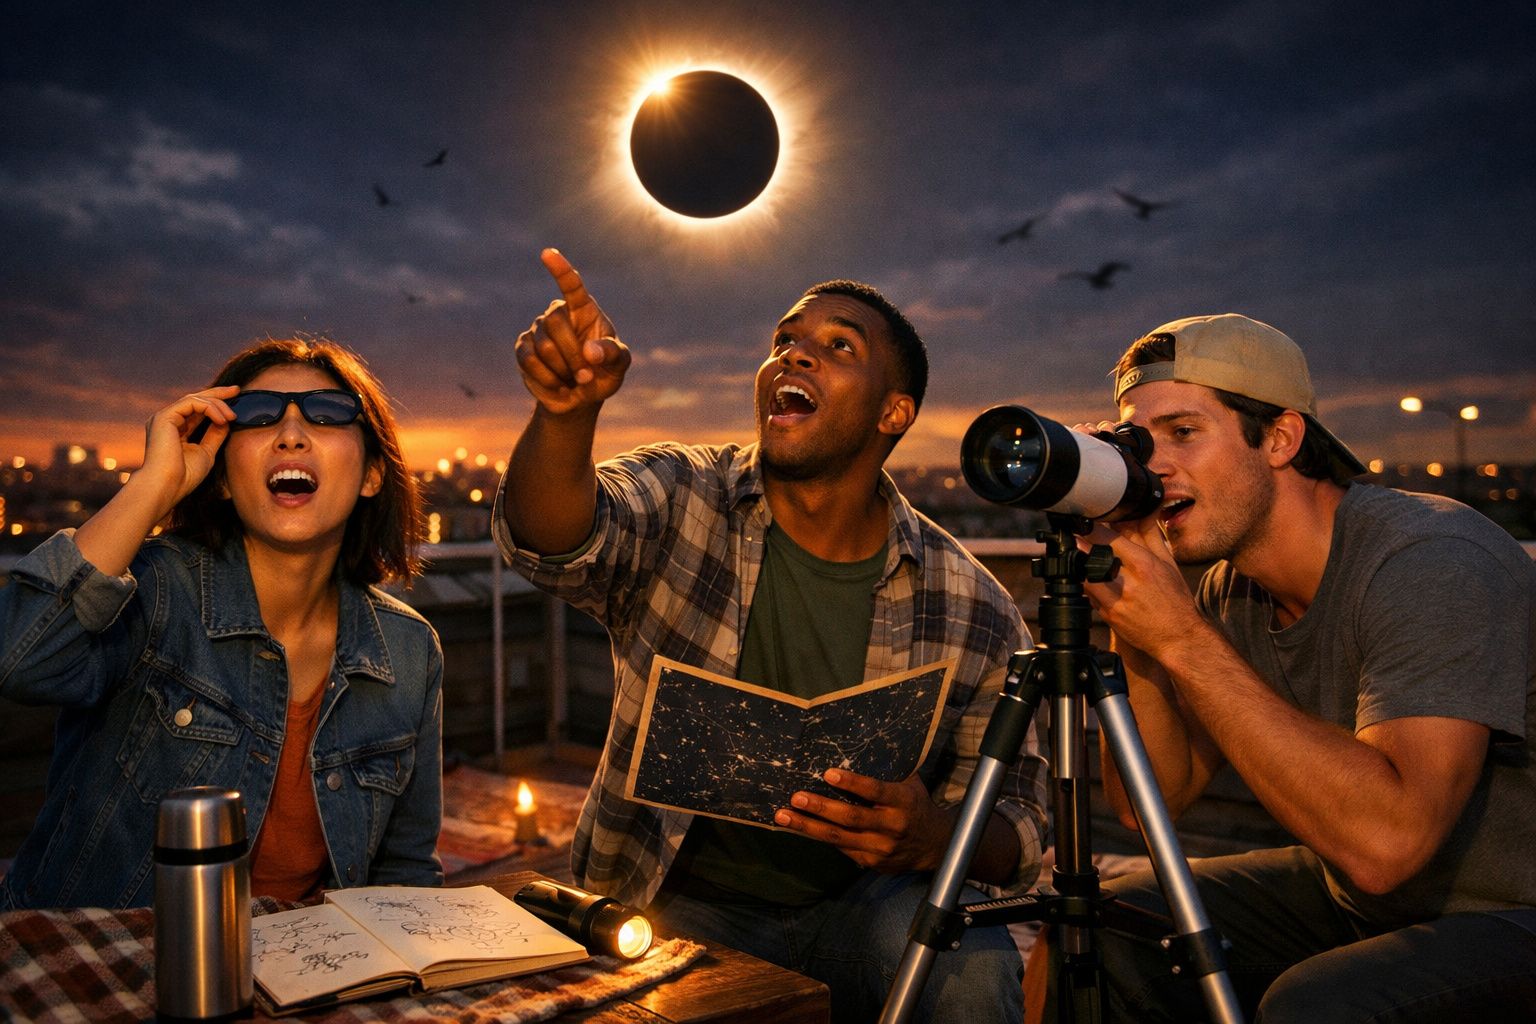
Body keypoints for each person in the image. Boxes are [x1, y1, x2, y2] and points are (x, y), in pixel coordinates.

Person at [494, 249, 1048, 1023]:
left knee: (972, 969)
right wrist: (565, 415)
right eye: (785, 340)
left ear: (894, 413)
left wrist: (932, 835)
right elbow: (553, 541)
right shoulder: (687, 495)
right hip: (675, 895)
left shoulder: (973, 604)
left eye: (838, 345)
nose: (795, 354)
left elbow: (1021, 819)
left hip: (868, 905)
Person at [1031, 313, 1536, 1021]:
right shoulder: (1229, 590)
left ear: (1280, 438)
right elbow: (1149, 804)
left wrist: (1183, 639)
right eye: (1139, 442)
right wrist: (1134, 610)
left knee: (1315, 1005)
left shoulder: (1429, 559)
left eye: (1184, 432)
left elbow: (1388, 844)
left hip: (1511, 908)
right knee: (1097, 927)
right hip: (1364, 896)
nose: (1155, 467)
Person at [0, 337, 444, 910]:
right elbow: (20, 659)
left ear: (372, 475)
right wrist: (153, 484)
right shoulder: (154, 591)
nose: (290, 434)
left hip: (312, 957)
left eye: (327, 413)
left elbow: (406, 869)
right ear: (226, 479)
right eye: (258, 416)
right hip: (112, 952)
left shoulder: (408, 649)